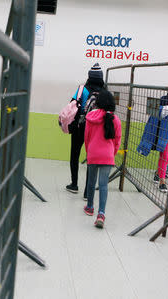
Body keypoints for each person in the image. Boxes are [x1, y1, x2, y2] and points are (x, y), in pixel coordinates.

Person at [137, 78, 168, 193]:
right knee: (164, 156)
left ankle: (158, 174)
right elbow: (156, 113)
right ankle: (162, 181)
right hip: (164, 133)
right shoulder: (164, 99)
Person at [83, 90, 121, 228]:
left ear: (98, 102)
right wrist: (112, 153)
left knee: (91, 182)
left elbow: (86, 137)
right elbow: (117, 140)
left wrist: (89, 152)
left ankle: (89, 207)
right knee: (103, 185)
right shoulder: (115, 119)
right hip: (108, 156)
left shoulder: (91, 116)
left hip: (93, 153)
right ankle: (101, 214)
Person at [66, 62, 104, 195]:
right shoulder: (105, 92)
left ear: (89, 76)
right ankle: (88, 191)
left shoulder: (82, 89)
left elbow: (72, 104)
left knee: (74, 154)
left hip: (79, 126)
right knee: (91, 159)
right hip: (95, 129)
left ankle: (74, 184)